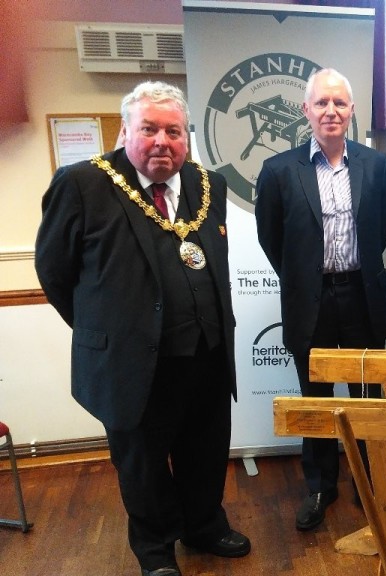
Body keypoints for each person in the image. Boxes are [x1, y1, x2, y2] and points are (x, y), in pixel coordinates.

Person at [35, 81, 250, 576]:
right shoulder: (81, 183)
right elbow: (54, 272)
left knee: (206, 450)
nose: (162, 141)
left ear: (187, 137)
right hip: (133, 362)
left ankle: (205, 526)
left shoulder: (207, 183)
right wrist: (104, 330)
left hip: (207, 353)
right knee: (143, 463)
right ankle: (155, 551)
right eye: (149, 129)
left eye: (173, 131)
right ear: (125, 130)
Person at [255, 68, 386, 531]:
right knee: (314, 398)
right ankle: (320, 486)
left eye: (340, 103)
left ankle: (369, 479)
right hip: (309, 300)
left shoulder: (376, 165)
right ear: (306, 110)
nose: (331, 111)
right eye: (321, 103)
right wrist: (304, 280)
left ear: (352, 110)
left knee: (366, 395)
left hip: (362, 296)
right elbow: (271, 239)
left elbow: (381, 229)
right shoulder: (278, 171)